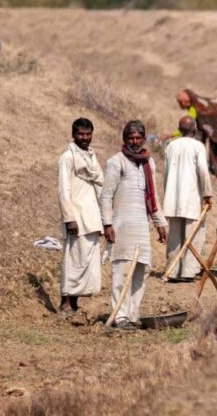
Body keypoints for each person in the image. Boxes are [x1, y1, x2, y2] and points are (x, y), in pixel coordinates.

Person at [101, 120, 168, 329]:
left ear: (144, 139)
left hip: (141, 226)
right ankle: (119, 316)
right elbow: (106, 196)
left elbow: (153, 197)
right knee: (121, 271)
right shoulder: (116, 162)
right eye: (131, 138)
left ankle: (132, 315)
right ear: (124, 139)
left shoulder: (148, 163)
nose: (135, 141)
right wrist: (107, 224)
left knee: (142, 270)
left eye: (138, 138)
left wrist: (160, 223)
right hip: (122, 226)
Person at [57, 118, 104, 314]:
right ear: (73, 134)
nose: (84, 138)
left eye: (87, 134)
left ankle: (75, 303)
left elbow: (100, 185)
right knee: (73, 260)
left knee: (85, 261)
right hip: (76, 218)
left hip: (91, 216)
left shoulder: (91, 157)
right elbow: (63, 190)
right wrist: (69, 218)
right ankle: (65, 303)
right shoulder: (67, 158)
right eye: (80, 134)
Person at [162, 116, 213, 282]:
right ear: (195, 130)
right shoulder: (198, 146)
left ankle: (172, 270)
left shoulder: (170, 146)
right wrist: (207, 194)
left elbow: (165, 173)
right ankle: (188, 272)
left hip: (173, 198)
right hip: (192, 198)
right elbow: (203, 171)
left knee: (174, 238)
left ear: (179, 129)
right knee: (194, 236)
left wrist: (167, 194)